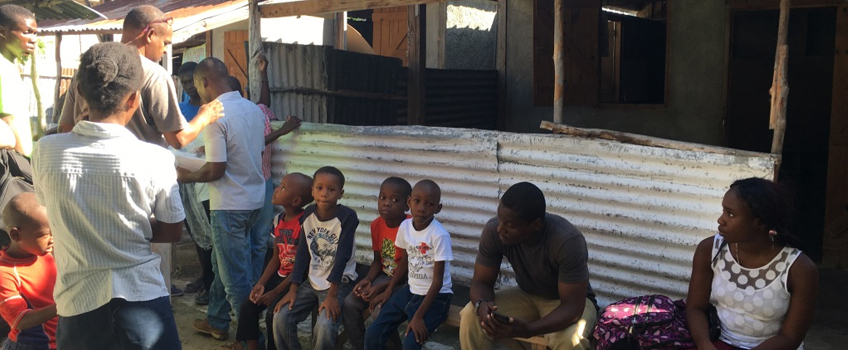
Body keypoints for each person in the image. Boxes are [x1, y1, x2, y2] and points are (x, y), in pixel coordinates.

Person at [58, 5, 224, 298]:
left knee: (95, 260)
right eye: (165, 42)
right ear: (149, 34)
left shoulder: (90, 69)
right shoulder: (152, 74)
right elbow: (179, 138)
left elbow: (65, 129)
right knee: (148, 270)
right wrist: (205, 115)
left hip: (90, 180)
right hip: (139, 186)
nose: (164, 50)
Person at [32, 42, 184, 349]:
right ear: (133, 99)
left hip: (77, 302)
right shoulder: (155, 158)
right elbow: (172, 230)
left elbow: (52, 209)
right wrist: (128, 224)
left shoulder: (46, 151)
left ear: (81, 94)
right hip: (143, 300)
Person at [182, 57, 266, 342]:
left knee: (234, 281)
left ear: (204, 82)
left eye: (196, 86)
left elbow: (215, 169)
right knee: (225, 267)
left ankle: (249, 341)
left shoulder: (214, 115)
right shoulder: (252, 109)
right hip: (254, 199)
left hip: (229, 205)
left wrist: (183, 176)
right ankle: (217, 321)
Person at [459, 182, 598, 350]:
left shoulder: (566, 241)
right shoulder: (493, 231)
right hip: (527, 294)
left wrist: (529, 330)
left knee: (569, 340)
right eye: (500, 218)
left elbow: (572, 307)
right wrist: (482, 304)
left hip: (567, 302)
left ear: (536, 225)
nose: (500, 229)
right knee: (470, 315)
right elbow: (481, 282)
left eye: (510, 225)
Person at [685, 178, 818, 350]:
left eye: (731, 214)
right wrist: (705, 344)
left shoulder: (799, 268)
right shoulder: (710, 249)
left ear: (759, 222)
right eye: (723, 211)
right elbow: (695, 307)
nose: (721, 220)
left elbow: (789, 338)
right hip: (720, 343)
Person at [224, 173, 314, 350]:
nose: (276, 189)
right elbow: (276, 257)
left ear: (296, 201)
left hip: (297, 279)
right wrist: (261, 284)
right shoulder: (278, 220)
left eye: (283, 188)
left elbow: (302, 267)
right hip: (280, 275)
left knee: (274, 313)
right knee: (248, 305)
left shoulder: (305, 223)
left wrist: (275, 292)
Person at [273, 166, 359, 350]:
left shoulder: (347, 217)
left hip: (339, 282)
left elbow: (342, 256)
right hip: (312, 280)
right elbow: (303, 253)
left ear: (340, 193)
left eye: (331, 189)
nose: (324, 193)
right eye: (319, 188)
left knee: (325, 325)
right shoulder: (308, 214)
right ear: (312, 191)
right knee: (281, 316)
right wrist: (293, 288)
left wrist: (332, 295)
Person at [364, 179, 453, 350]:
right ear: (409, 202)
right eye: (417, 201)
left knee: (411, 344)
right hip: (410, 290)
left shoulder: (439, 235)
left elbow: (438, 281)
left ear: (438, 208)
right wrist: (388, 291)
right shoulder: (405, 226)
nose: (421, 208)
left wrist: (418, 316)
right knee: (373, 334)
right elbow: (404, 261)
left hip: (436, 297)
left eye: (429, 204)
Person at [343, 176, 412, 350]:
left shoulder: (410, 226)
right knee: (350, 303)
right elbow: (377, 261)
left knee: (380, 311)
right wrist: (367, 280)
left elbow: (406, 271)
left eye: (395, 200)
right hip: (385, 276)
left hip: (406, 281)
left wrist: (378, 288)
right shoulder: (376, 225)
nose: (387, 203)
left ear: (407, 205)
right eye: (383, 198)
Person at [177, 61, 215, 305]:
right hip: (185, 178)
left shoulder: (213, 109)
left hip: (209, 178)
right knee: (196, 232)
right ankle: (205, 277)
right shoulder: (180, 110)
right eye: (184, 83)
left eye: (192, 81)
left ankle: (212, 283)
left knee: (211, 234)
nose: (189, 86)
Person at [0, 193, 57, 350]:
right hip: (30, 344)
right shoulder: (5, 273)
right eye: (45, 234)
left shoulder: (42, 253)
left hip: (58, 339)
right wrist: (63, 306)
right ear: (16, 234)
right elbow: (20, 320)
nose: (52, 239)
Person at [0, 5, 36, 156]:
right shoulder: (2, 68)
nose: (33, 40)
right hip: (13, 162)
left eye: (35, 34)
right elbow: (8, 120)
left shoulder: (10, 65)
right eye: (27, 33)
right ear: (2, 32)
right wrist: (26, 165)